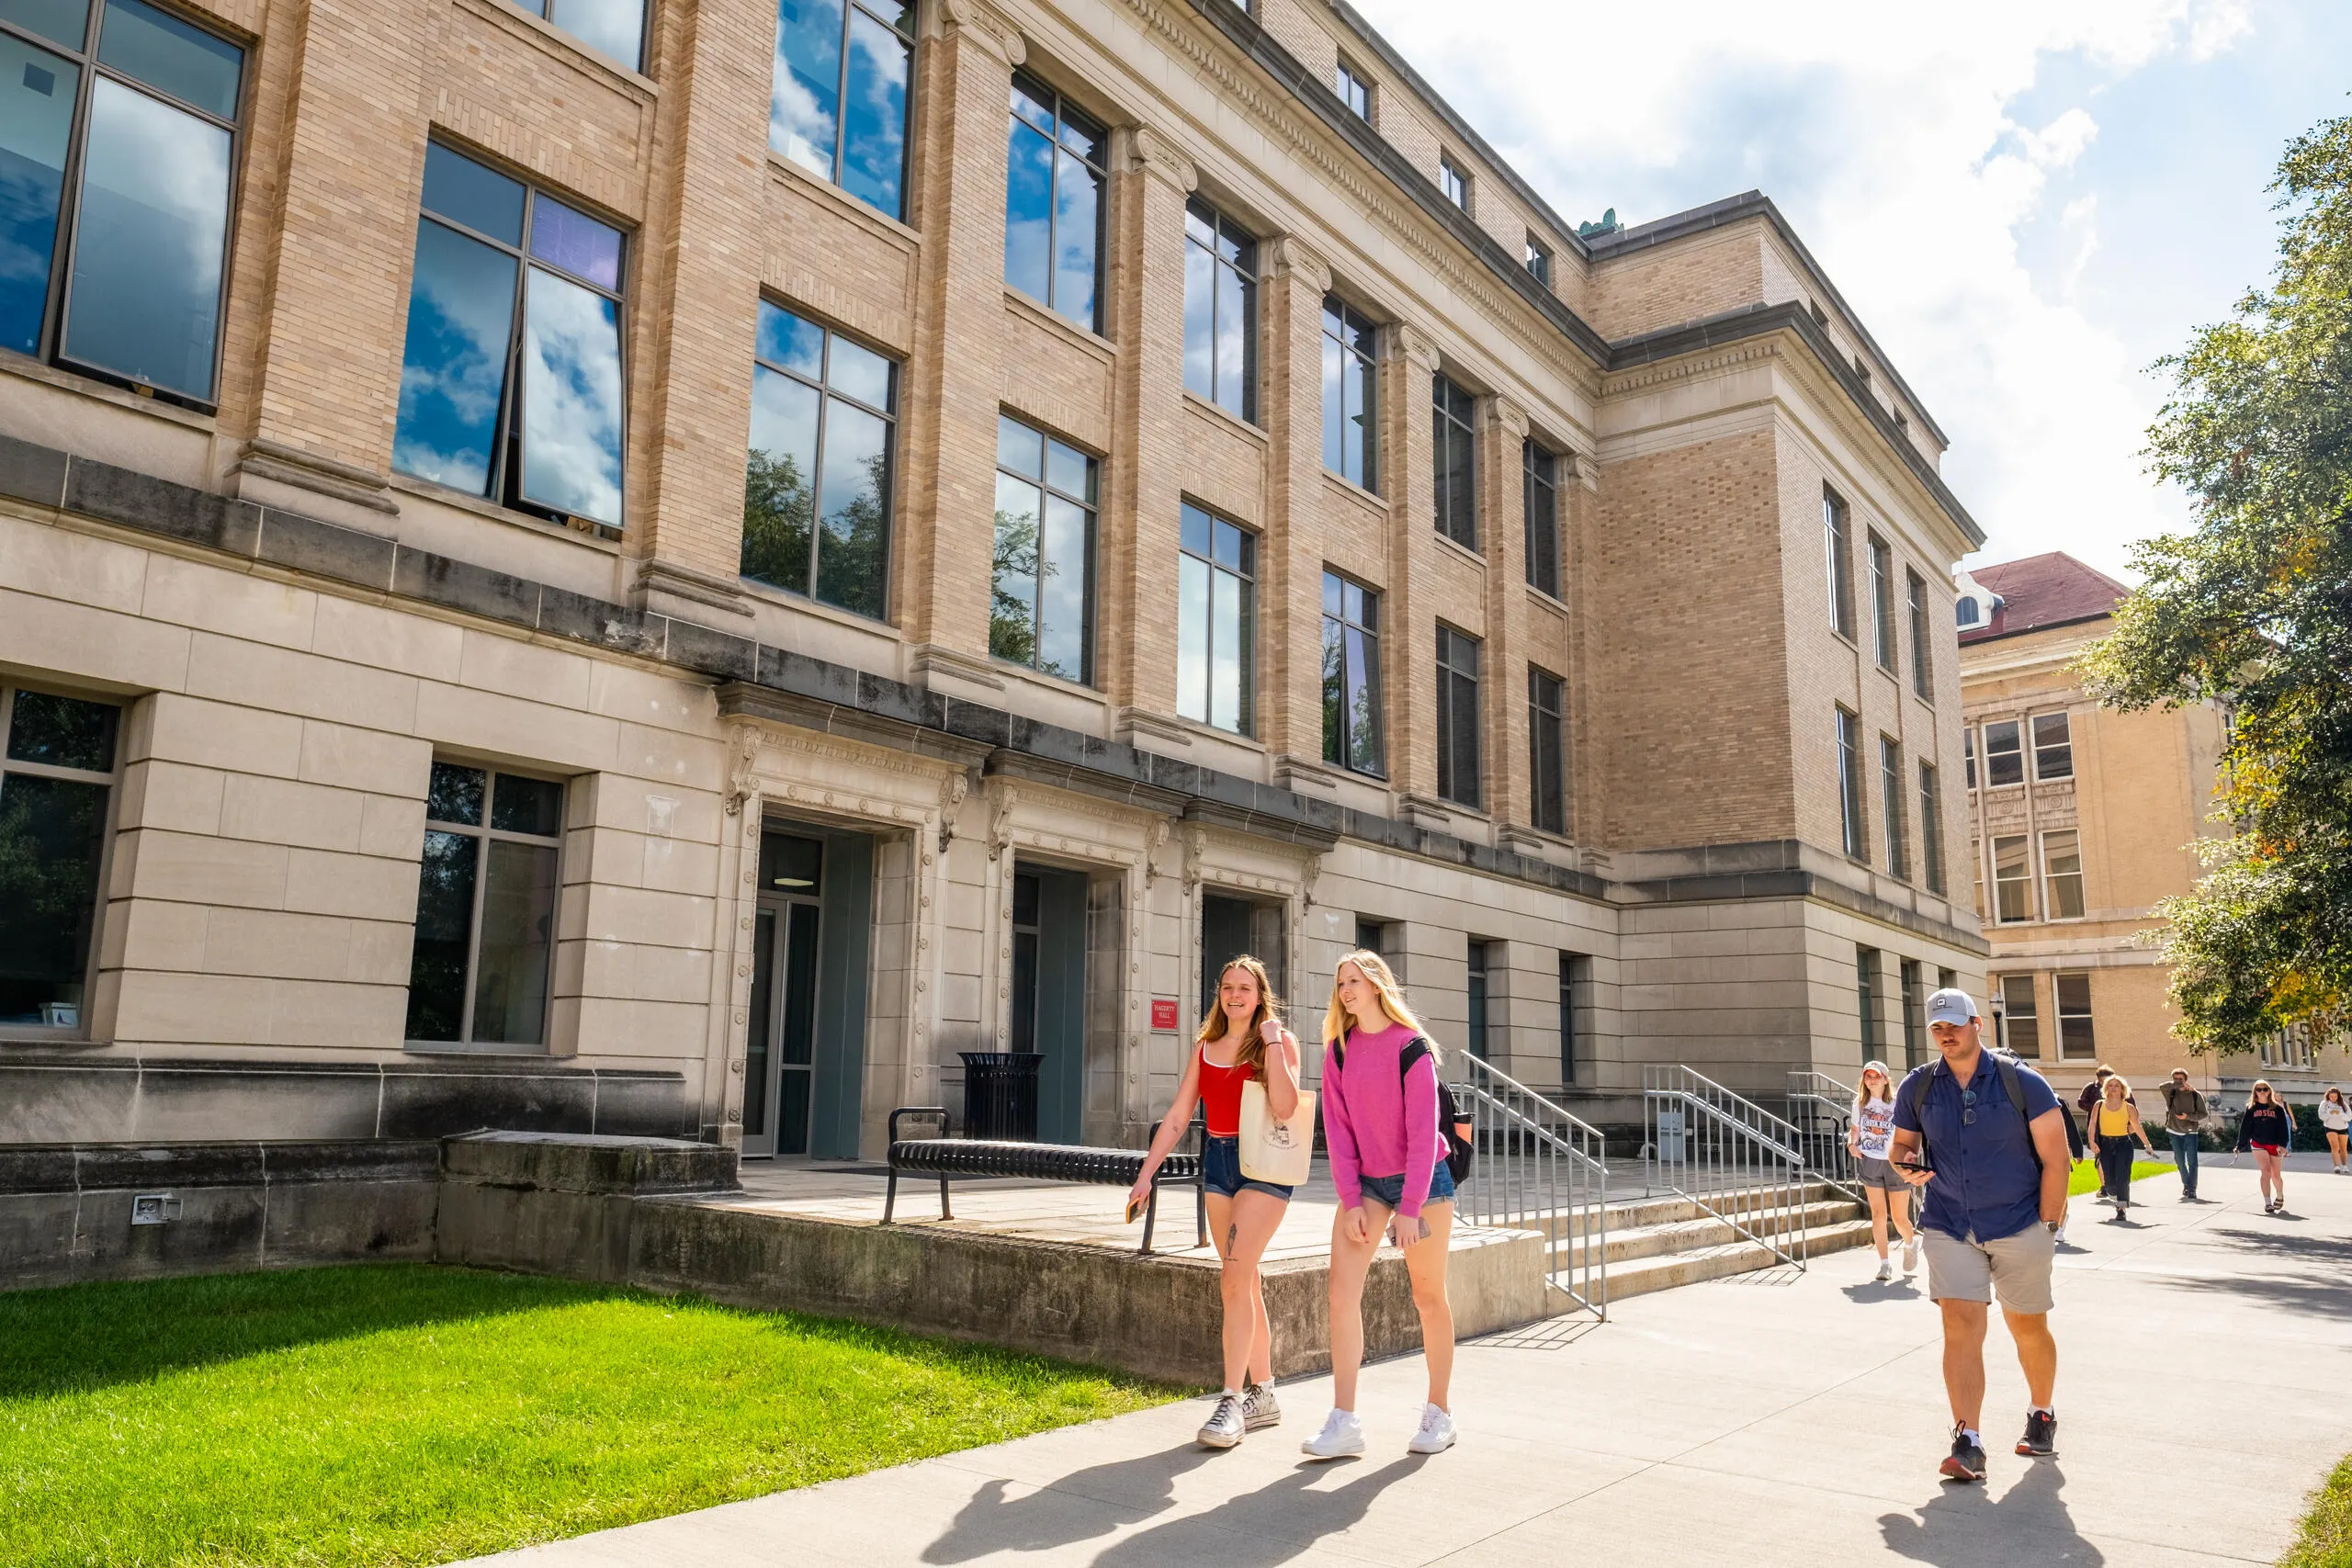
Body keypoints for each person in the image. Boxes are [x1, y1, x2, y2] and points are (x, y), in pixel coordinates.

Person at [1890, 987, 2071, 1484]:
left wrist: (2048, 1225)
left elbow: (2058, 1160)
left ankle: (2042, 1412)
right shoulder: (1918, 1086)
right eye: (1937, 1028)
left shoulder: (2023, 1083)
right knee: (1960, 1328)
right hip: (1949, 1224)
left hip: (2019, 1224)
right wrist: (1904, 1165)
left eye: (1954, 1024)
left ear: (1978, 1024)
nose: (1946, 1034)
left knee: (2027, 1327)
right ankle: (1967, 1441)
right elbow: (1901, 1146)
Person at [1125, 955, 1303, 1450]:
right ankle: (1263, 1393)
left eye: (1245, 988)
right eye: (1228, 987)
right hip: (1220, 1162)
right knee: (1243, 1278)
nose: (1235, 995)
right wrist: (1147, 1174)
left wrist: (1270, 1042)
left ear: (1261, 994)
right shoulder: (1205, 1047)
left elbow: (1287, 1107)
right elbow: (1180, 1115)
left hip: (1263, 1165)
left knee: (1233, 1277)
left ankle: (1230, 1399)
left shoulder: (1277, 1042)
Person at [1302, 950, 1458, 1461]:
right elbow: (1339, 1133)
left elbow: (1421, 1132)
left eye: (1354, 981)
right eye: (1340, 982)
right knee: (1340, 1293)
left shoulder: (1411, 1048)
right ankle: (1344, 1420)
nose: (1346, 990)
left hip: (1424, 1182)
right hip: (1368, 1183)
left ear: (1377, 986)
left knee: (1427, 1296)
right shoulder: (1339, 1050)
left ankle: (1439, 1412)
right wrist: (1350, 1200)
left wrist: (1410, 1207)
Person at [1848, 1061, 1919, 1281]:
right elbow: (1855, 1129)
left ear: (1885, 1079)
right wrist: (1852, 1143)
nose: (1871, 1080)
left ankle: (1910, 1243)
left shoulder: (1898, 1101)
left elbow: (1911, 1129)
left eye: (1876, 1076)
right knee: (1878, 1214)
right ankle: (1884, 1264)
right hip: (1870, 1159)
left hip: (1894, 1161)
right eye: (1867, 1076)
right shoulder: (1860, 1103)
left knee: (1899, 1217)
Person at [2090, 1075, 2156, 1218]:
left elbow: (2137, 1127)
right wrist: (2091, 1142)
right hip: (2105, 1144)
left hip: (2123, 1145)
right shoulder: (2099, 1105)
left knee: (2123, 1177)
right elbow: (2092, 1124)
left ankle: (2121, 1208)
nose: (2113, 1088)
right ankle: (2114, 1196)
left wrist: (2147, 1145)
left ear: (2122, 1089)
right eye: (2110, 1085)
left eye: (2116, 1086)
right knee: (2109, 1182)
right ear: (2106, 1088)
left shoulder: (2128, 1107)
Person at [2235, 1079, 2296, 1214]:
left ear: (2269, 1091)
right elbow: (2245, 1127)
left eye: (2265, 1089)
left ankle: (2279, 1195)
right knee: (2266, 1172)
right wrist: (2240, 1145)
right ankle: (2267, 1202)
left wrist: (2283, 1144)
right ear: (2255, 1092)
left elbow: (2283, 1128)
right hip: (2258, 1144)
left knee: (2276, 1175)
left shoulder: (2278, 1109)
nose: (2262, 1092)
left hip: (2274, 1144)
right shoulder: (2251, 1108)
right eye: (2259, 1089)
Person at [2159, 1069, 2210, 1201]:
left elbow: (2203, 1114)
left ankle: (2192, 1188)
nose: (2178, 1081)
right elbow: (2161, 1086)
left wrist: (2188, 1117)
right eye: (2175, 1079)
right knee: (2180, 1161)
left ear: (2186, 1079)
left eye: (2180, 1079)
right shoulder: (2170, 1091)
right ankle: (2186, 1184)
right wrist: (2176, 1085)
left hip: (2191, 1132)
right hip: (2173, 1130)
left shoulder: (2195, 1095)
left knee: (2192, 1161)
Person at [2320, 1087, 2349, 1176]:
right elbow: (2321, 1116)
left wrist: (2340, 1114)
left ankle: (2344, 1166)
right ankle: (2336, 1166)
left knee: (2343, 1148)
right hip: (2330, 1127)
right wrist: (2329, 1113)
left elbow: (2349, 1117)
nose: (2333, 1098)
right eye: (2331, 1096)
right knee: (2335, 1147)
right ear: (2328, 1096)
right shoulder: (2324, 1104)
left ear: (2338, 1096)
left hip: (2343, 1127)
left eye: (2335, 1096)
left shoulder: (2343, 1104)